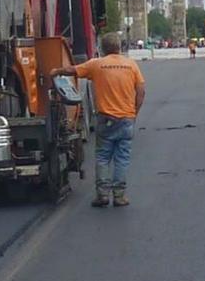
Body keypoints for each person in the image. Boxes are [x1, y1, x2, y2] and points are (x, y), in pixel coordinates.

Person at [51, 32, 145, 207]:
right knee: (122, 158)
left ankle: (102, 195)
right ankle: (119, 195)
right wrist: (134, 113)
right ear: (119, 47)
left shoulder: (97, 65)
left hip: (106, 119)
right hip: (126, 118)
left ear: (102, 49)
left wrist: (56, 71)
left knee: (103, 157)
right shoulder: (131, 66)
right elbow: (141, 92)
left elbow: (72, 70)